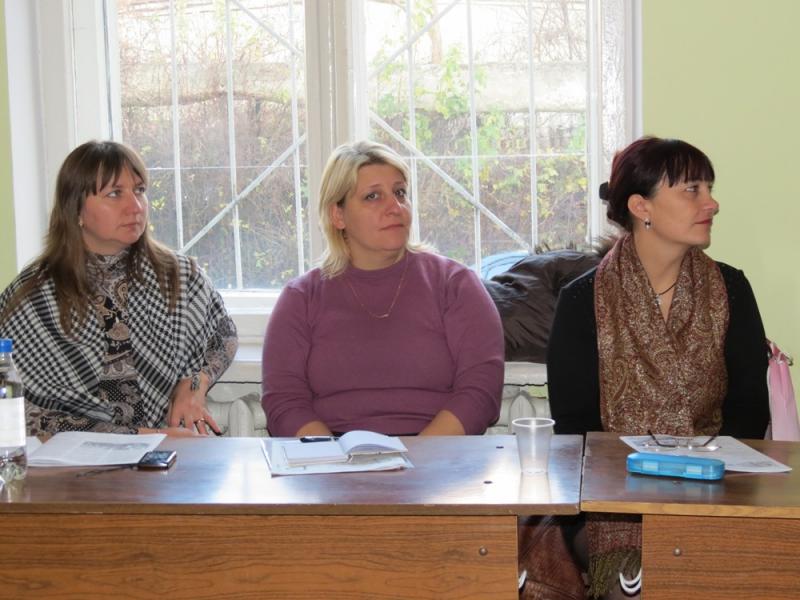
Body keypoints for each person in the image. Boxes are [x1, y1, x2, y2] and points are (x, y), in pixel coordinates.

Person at [546, 137, 769, 598]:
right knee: (639, 585)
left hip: (717, 489)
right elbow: (575, 428)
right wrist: (648, 479)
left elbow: (749, 410)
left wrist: (701, 479)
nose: (711, 203)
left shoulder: (731, 290)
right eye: (692, 190)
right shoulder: (581, 300)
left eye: (709, 188)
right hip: (612, 503)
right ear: (640, 206)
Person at [261, 140, 504, 437]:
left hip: (438, 455)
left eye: (400, 193)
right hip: (333, 457)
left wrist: (419, 455)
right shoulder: (301, 298)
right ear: (338, 215)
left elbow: (481, 390)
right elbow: (284, 402)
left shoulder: (455, 284)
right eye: (373, 196)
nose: (395, 207)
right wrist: (333, 458)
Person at [0, 140, 238, 437]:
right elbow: (17, 412)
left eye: (139, 190)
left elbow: (223, 335)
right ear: (76, 209)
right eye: (114, 193)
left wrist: (194, 385)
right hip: (72, 462)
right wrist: (142, 438)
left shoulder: (178, 275)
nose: (135, 207)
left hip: (170, 455)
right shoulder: (33, 296)